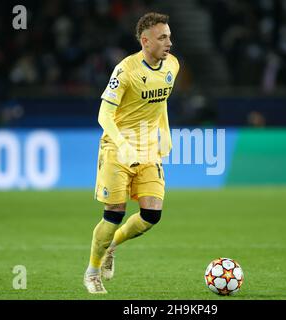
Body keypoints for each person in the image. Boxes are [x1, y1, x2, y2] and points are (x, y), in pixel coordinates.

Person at [84, 12, 179, 294]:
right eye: (163, 37)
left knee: (152, 215)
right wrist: (123, 145)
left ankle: (112, 246)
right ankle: (91, 271)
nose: (169, 43)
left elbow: (160, 102)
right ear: (145, 41)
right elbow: (104, 114)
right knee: (114, 212)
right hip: (117, 147)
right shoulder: (126, 71)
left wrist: (166, 133)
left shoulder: (172, 65)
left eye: (170, 36)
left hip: (149, 149)